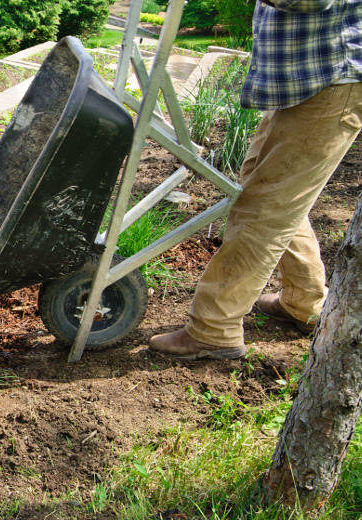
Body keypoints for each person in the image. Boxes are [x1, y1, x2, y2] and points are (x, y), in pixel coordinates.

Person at [149, 0, 362, 359]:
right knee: (266, 192)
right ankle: (305, 302)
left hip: (330, 80)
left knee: (265, 208)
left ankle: (213, 328)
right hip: (309, 81)